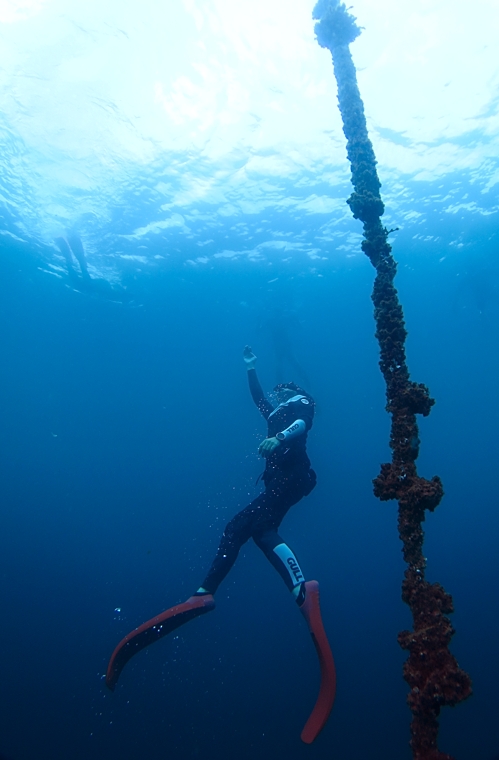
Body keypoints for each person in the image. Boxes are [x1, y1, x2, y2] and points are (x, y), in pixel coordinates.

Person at [106, 346, 336, 743]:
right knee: (261, 533)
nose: (279, 397)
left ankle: (205, 593)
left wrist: (279, 436)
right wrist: (250, 368)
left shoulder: (300, 406)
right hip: (284, 482)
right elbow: (259, 399)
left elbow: (301, 425)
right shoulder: (277, 408)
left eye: (286, 393)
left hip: (292, 477)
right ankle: (301, 589)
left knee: (234, 527)